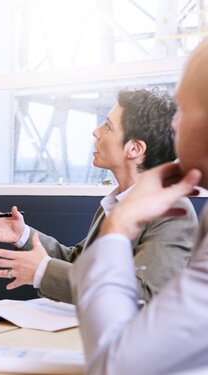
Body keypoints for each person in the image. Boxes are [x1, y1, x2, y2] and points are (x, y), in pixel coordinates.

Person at [0, 89, 197, 303]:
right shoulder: (114, 204)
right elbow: (79, 263)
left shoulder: (173, 212)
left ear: (135, 149)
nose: (96, 131)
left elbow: (144, 293)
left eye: (108, 127)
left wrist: (43, 271)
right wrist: (23, 235)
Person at [69, 39, 208, 374]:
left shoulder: (167, 213)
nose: (174, 125)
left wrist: (119, 227)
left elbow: (113, 367)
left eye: (184, 110)